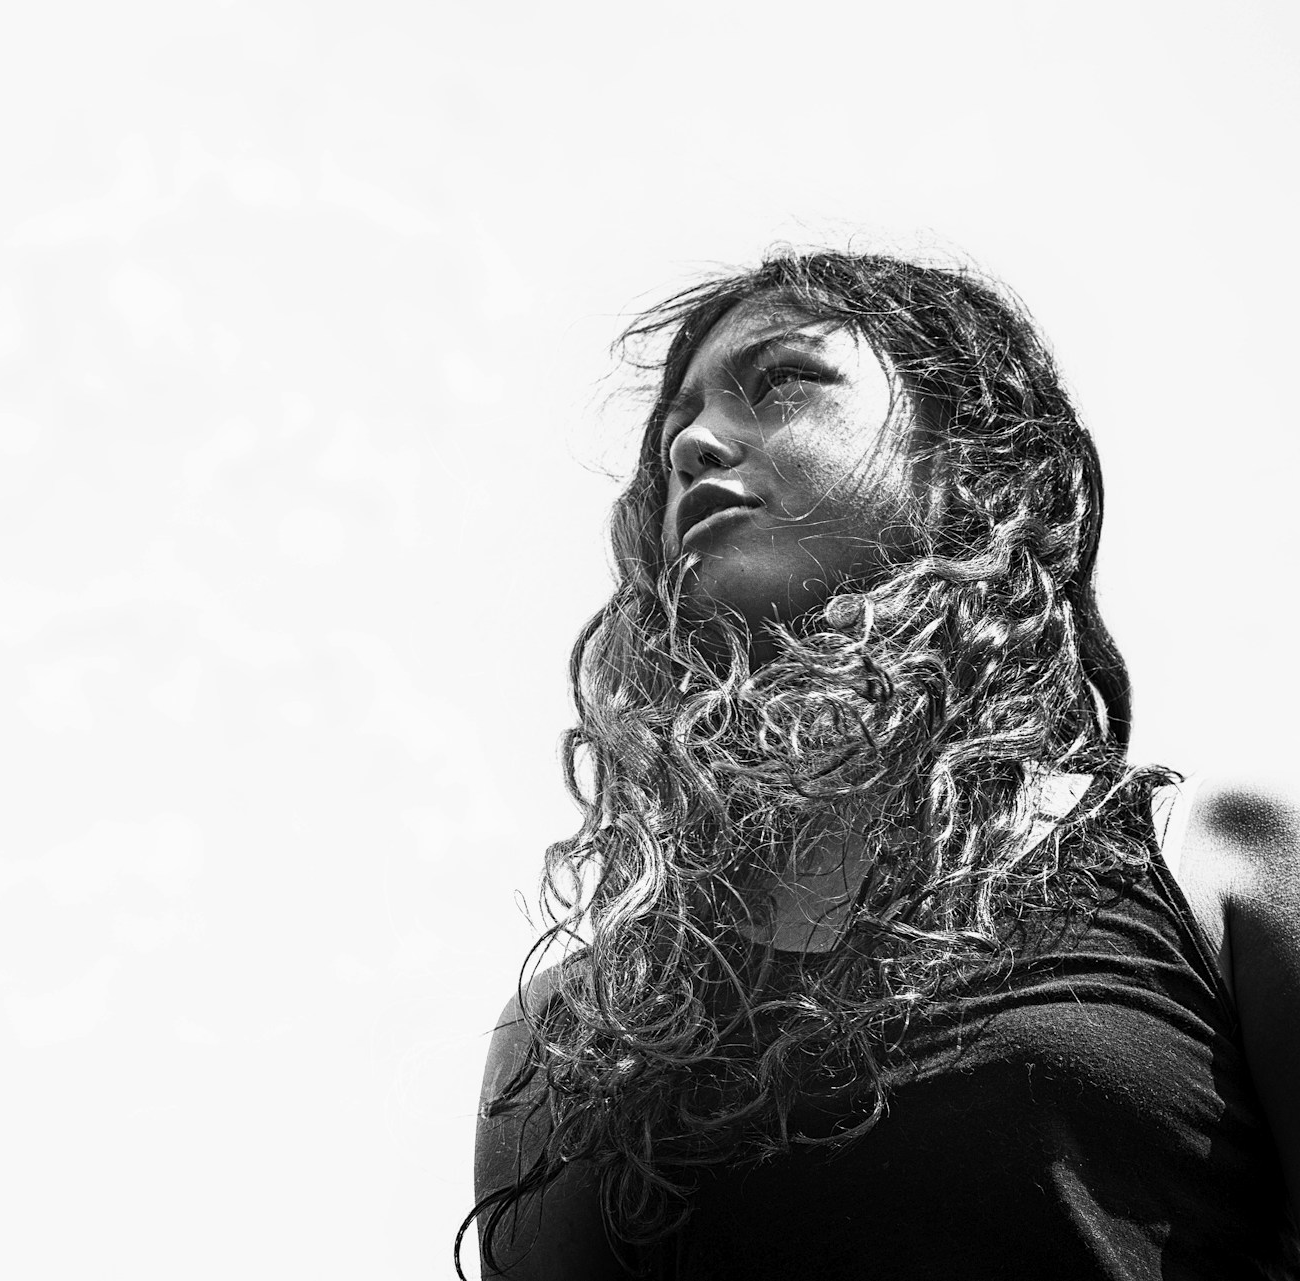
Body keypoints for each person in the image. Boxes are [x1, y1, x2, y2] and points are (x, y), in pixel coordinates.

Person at [464, 250, 1300, 1279]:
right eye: (675, 421)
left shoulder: (1223, 867)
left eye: (781, 382)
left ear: (973, 463)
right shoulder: (575, 1035)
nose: (693, 442)